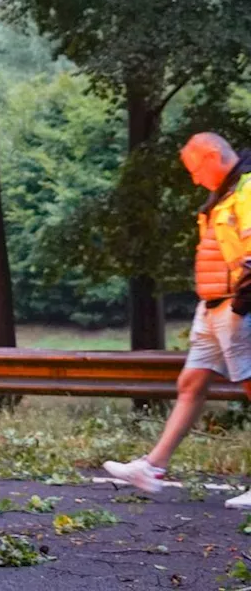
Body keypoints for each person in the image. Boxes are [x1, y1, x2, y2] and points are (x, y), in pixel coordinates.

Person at [104, 132, 251, 509]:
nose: (194, 178)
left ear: (214, 156)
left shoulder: (247, 188)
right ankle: (152, 467)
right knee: (191, 382)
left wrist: (243, 300)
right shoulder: (225, 193)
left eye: (195, 169)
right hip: (214, 306)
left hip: (240, 306)